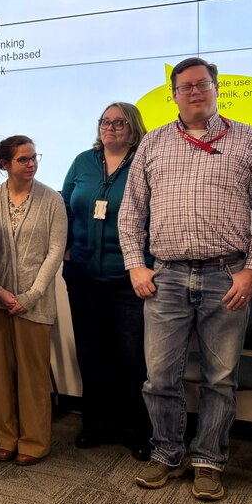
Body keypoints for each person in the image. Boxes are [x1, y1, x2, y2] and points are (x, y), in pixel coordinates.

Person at [118, 56, 252, 501]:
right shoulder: (153, 144)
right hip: (165, 276)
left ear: (216, 87)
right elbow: (132, 211)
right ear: (174, 94)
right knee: (159, 377)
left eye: (202, 84)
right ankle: (167, 452)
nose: (194, 92)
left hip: (227, 275)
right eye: (185, 87)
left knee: (220, 378)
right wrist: (135, 264)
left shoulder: (248, 140)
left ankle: (208, 460)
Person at [62, 103, 152, 460]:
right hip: (84, 274)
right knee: (90, 351)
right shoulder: (84, 160)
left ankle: (137, 429)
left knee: (132, 356)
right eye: (105, 121)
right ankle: (96, 424)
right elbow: (65, 206)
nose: (111, 128)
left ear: (133, 127)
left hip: (129, 275)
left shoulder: (145, 160)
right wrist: (68, 248)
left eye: (120, 122)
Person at [0, 136, 66, 465]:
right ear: (5, 165)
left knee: (33, 375)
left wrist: (30, 295)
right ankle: (6, 436)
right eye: (23, 160)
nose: (31, 165)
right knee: (0, 373)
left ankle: (34, 441)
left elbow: (55, 251)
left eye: (33, 158)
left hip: (35, 302)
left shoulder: (52, 200)